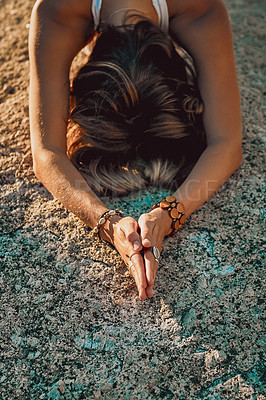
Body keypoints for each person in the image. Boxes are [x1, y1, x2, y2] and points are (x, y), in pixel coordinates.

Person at [29, 0, 242, 300]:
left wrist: (167, 215)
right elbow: (46, 154)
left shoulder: (202, 8)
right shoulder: (56, 9)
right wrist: (108, 223)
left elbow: (228, 144)